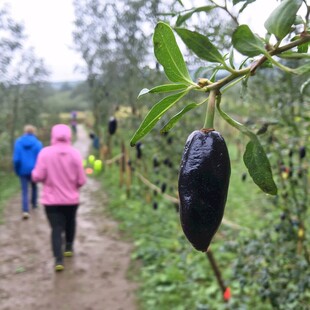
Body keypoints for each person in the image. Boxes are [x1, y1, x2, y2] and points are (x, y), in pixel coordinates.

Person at [32, 124, 86, 272]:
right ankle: (68, 247)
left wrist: (38, 176)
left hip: (51, 201)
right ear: (69, 135)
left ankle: (58, 260)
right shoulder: (75, 154)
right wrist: (72, 186)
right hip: (71, 200)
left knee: (56, 229)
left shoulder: (45, 153)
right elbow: (82, 180)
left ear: (53, 135)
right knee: (70, 222)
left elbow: (38, 176)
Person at [12, 125, 43, 220]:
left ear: (24, 132)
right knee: (34, 187)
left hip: (22, 169)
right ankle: (34, 204)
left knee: (24, 190)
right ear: (34, 132)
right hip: (34, 169)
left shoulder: (18, 142)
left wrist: (16, 170)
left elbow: (16, 159)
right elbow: (41, 159)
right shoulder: (38, 143)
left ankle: (25, 210)